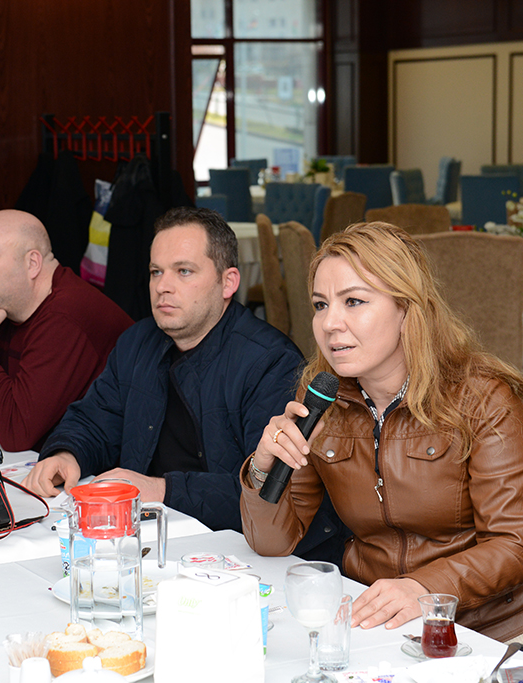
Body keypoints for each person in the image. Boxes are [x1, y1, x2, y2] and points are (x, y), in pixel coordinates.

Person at [239, 222, 523, 676]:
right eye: (321, 305)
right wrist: (262, 468)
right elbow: (271, 542)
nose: (329, 323)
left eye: (354, 301)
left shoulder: (484, 401)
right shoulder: (324, 401)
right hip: (395, 636)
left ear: (407, 308)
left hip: (510, 636)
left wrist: (421, 588)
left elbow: (515, 545)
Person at [22, 207, 346, 559]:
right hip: (150, 538)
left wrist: (161, 489)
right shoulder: (136, 342)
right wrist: (67, 454)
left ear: (228, 282)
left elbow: (264, 488)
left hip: (239, 552)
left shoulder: (271, 361)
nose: (163, 286)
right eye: (156, 272)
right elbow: (94, 420)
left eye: (184, 271)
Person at [0, 209, 132, 452]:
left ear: (32, 263)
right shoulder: (3, 307)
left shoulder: (67, 314)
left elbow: (15, 433)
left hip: (104, 470)